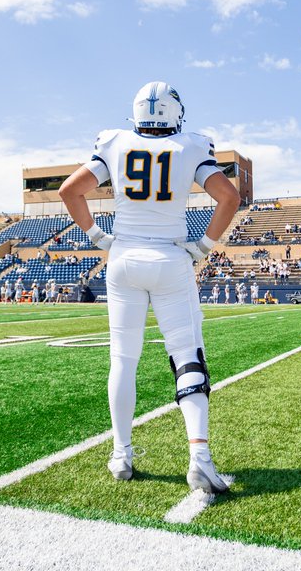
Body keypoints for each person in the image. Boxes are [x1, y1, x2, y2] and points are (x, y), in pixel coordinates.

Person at [58, 81, 239, 494]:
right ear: (175, 113)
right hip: (171, 259)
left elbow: (70, 191)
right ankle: (200, 458)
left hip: (123, 259)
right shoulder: (191, 146)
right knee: (187, 354)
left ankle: (121, 454)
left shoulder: (115, 142)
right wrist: (205, 246)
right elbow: (229, 197)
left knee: (123, 359)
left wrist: (97, 237)